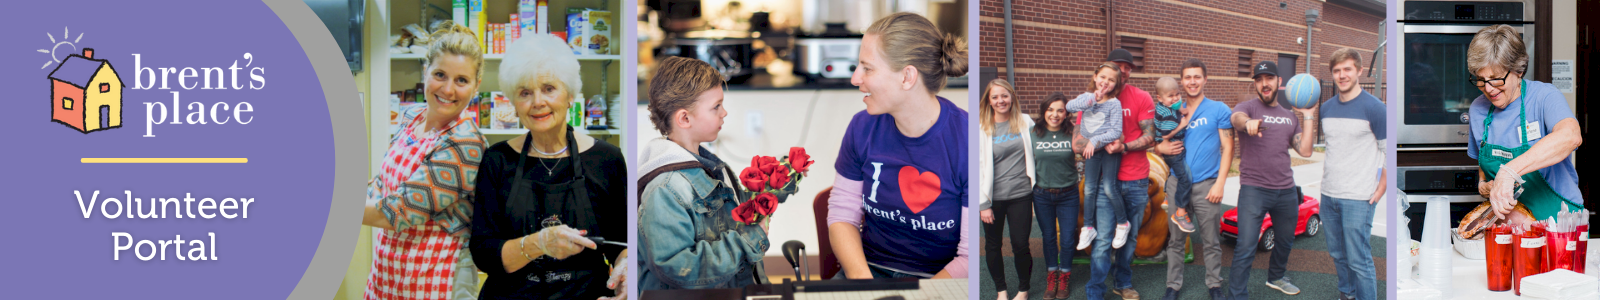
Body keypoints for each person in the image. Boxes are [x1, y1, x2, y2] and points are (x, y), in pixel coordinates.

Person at [470, 34, 629, 300]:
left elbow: (623, 244)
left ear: (569, 95)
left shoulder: (607, 159)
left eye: (548, 88)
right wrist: (539, 243)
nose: (537, 102)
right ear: (514, 102)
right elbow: (484, 254)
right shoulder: (497, 160)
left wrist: (625, 271)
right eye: (525, 92)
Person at [827, 12, 970, 280]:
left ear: (907, 77)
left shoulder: (968, 141)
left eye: (867, 68)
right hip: (868, 270)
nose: (855, 79)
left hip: (937, 280)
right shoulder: (861, 127)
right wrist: (865, 283)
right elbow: (842, 214)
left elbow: (970, 256)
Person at [361, 20, 486, 300]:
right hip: (389, 269)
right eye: (440, 74)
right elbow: (381, 183)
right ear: (425, 70)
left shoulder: (465, 143)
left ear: (476, 85)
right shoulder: (412, 117)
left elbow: (399, 211)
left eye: (462, 80)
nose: (448, 90)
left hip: (436, 274)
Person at [637, 56, 772, 291]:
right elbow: (678, 267)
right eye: (716, 107)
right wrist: (748, 239)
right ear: (685, 118)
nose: (725, 112)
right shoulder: (664, 190)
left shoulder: (709, 167)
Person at [1465, 25, 1584, 221]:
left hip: (1559, 225)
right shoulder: (1478, 109)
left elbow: (1570, 136)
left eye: (1496, 79)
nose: (1488, 88)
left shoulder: (1544, 97)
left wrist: (1509, 171)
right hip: (1509, 228)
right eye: (1480, 79)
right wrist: (1483, 184)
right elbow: (1482, 162)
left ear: (1518, 71)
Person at [1227, 61, 1317, 298]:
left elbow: (1306, 151)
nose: (1264, 84)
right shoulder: (1248, 107)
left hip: (1286, 190)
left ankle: (1276, 277)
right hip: (1254, 190)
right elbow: (1236, 118)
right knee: (1246, 246)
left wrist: (1308, 116)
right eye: (1258, 79)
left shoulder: (1290, 116)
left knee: (1286, 241)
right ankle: (1237, 294)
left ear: (1279, 82)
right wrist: (1247, 123)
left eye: (1268, 78)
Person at [1078, 48, 1157, 300]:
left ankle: (1122, 283)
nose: (1122, 70)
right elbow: (1077, 143)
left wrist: (1124, 146)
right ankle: (1095, 289)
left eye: (1126, 67)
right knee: (1102, 240)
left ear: (1130, 72)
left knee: (1130, 238)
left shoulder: (1142, 97)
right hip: (1103, 181)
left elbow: (1151, 137)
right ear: (1104, 71)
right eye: (1116, 66)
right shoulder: (1091, 100)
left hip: (1136, 180)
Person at [1159, 58, 1233, 300]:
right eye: (1188, 77)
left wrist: (1221, 183)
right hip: (1176, 184)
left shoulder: (1218, 109)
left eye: (1197, 76)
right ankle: (1173, 286)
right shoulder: (1170, 109)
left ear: (1205, 79)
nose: (1192, 81)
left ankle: (1214, 285)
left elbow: (1228, 146)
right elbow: (1154, 139)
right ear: (1182, 81)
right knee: (1175, 240)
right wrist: (1160, 148)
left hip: (1206, 186)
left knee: (1211, 240)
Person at [1317, 48, 1385, 300]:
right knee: (1337, 254)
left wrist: (1381, 188)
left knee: (1359, 259)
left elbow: (1388, 151)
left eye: (1347, 69)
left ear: (1358, 70)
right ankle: (1347, 294)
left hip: (1359, 196)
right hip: (1328, 194)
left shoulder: (1375, 108)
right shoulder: (1325, 108)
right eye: (1336, 70)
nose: (1341, 75)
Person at [978, 79, 1036, 300]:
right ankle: (1001, 290)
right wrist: (983, 204)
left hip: (1021, 194)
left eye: (1004, 96)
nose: (1000, 100)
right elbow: (975, 168)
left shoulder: (1025, 122)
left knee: (1020, 244)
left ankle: (1023, 289)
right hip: (992, 199)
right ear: (989, 101)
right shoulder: (981, 128)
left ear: (1012, 97)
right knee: (993, 245)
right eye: (995, 97)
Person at [1065, 62, 1125, 254]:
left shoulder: (1114, 104)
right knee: (1089, 188)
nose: (1106, 82)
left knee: (1108, 187)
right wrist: (1091, 99)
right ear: (1095, 77)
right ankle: (1088, 228)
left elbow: (1116, 130)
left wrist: (1095, 140)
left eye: (1111, 80)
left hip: (1107, 151)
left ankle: (1123, 224)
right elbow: (1069, 106)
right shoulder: (1086, 98)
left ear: (1116, 85)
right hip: (1092, 153)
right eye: (1103, 77)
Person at [1029, 92, 1080, 300]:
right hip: (1042, 194)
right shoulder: (1033, 132)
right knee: (1048, 237)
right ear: (1044, 111)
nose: (1055, 114)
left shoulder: (1073, 132)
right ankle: (1052, 276)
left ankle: (1065, 276)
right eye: (1050, 109)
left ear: (1066, 112)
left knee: (1067, 239)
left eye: (1060, 110)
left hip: (1068, 194)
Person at [1151, 77, 1194, 233]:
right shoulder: (1168, 115)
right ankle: (1180, 213)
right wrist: (1182, 125)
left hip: (1172, 151)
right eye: (1171, 96)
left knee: (1174, 173)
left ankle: (1168, 197)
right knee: (1185, 178)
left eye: (1177, 94)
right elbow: (1165, 135)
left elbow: (1173, 109)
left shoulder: (1164, 107)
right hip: (1173, 150)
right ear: (1160, 98)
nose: (1175, 98)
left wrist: (1180, 110)